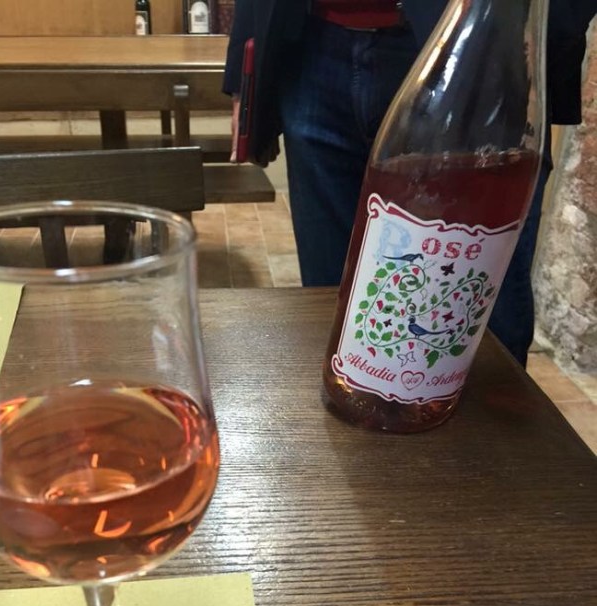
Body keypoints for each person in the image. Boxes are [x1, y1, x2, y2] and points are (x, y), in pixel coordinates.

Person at [223, 0, 596, 366]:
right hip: (311, 48)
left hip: (478, 50)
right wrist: (244, 69)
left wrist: (534, 40)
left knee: (479, 332)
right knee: (329, 316)